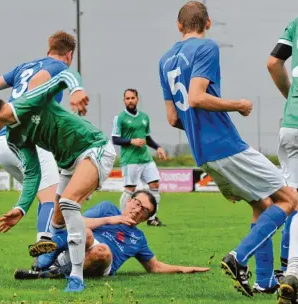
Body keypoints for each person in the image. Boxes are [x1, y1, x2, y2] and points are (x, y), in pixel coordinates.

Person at [158, 1, 298, 298]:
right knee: (290, 199)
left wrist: (199, 128)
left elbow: (173, 118)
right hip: (225, 145)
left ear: (179, 25)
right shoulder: (207, 48)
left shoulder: (165, 60)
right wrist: (238, 105)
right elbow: (196, 97)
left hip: (203, 153)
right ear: (207, 23)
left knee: (262, 205)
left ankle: (264, 281)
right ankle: (238, 256)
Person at [0, 70, 116, 292]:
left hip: (95, 147)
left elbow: (65, 75)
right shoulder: (14, 138)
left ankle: (76, 276)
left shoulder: (29, 99)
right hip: (69, 164)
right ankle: (58, 242)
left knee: (68, 203)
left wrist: (76, 90)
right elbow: (32, 173)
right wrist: (20, 208)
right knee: (58, 222)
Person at [0, 31, 79, 243]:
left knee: (46, 196)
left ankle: (50, 246)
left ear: (48, 50)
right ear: (69, 55)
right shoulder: (60, 67)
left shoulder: (23, 67)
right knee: (52, 197)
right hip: (31, 137)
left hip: (2, 143)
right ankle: (45, 248)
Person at [15, 190, 210, 279]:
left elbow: (155, 267)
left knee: (104, 251)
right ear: (129, 200)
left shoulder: (139, 238)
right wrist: (109, 220)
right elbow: (76, 222)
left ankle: (50, 271)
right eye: (137, 203)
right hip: (78, 247)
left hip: (100, 264)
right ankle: (46, 260)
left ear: (146, 218)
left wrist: (186, 269)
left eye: (145, 210)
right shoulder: (108, 209)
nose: (137, 209)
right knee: (88, 233)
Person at [267, 17, 298, 304]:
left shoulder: (295, 23)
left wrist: (292, 98)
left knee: (293, 199)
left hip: (292, 123)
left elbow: (274, 63)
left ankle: (287, 267)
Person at [111, 88, 167, 226]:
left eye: (132, 98)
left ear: (137, 99)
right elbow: (115, 139)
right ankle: (123, 217)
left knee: (154, 185)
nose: (130, 100)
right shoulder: (120, 118)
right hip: (130, 160)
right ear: (124, 100)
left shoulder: (144, 117)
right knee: (130, 189)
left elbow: (147, 138)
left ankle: (152, 218)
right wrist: (132, 141)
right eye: (127, 98)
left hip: (146, 159)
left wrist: (158, 147)